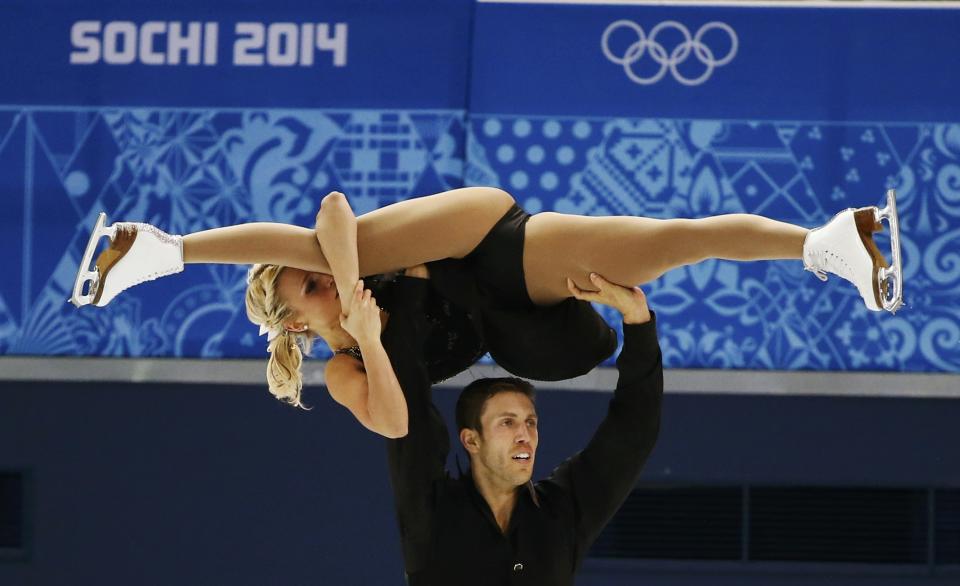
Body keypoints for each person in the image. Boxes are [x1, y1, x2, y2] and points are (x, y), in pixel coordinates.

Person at [69, 186, 901, 437]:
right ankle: (156, 251)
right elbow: (396, 426)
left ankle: (826, 246)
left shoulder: (346, 264)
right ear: (293, 325)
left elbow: (329, 211)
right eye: (308, 295)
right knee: (639, 277)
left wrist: (358, 275)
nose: (323, 288)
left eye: (310, 282)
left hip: (488, 242)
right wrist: (362, 332)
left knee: (673, 239)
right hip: (528, 327)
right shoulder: (343, 366)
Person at [383, 270, 662, 584]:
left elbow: (632, 434)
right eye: (507, 422)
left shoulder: (562, 513)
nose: (524, 435)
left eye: (531, 422)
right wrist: (414, 284)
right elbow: (409, 405)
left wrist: (637, 319)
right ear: (472, 440)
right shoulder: (432, 512)